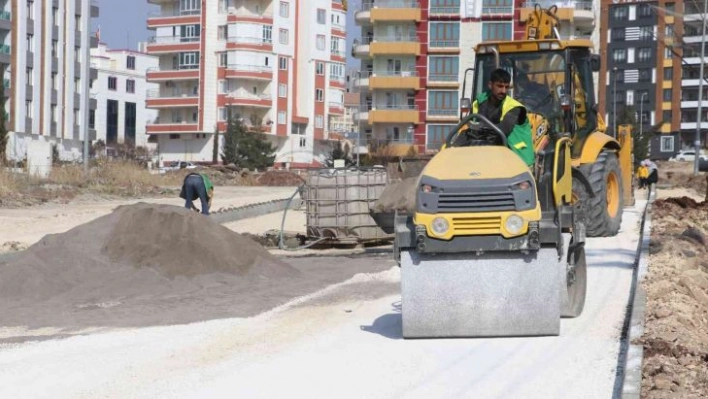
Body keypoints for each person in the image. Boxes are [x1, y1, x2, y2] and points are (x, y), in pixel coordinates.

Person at [472, 68, 534, 166]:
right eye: (500, 86)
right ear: (490, 85)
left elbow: (502, 131)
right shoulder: (479, 103)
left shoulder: (514, 108)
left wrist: (479, 130)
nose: (504, 91)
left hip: (519, 160)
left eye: (506, 87)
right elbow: (470, 127)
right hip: (493, 153)